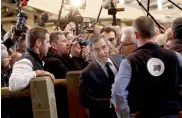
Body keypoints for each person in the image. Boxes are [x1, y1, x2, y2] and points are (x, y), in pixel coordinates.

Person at [111, 16, 182, 118]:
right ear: (155, 33)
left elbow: (118, 92)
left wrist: (124, 115)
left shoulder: (129, 62)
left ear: (135, 35)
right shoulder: (176, 56)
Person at [79, 33, 124, 118]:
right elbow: (85, 100)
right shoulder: (86, 73)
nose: (101, 52)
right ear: (91, 51)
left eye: (103, 47)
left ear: (108, 46)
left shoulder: (120, 59)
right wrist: (109, 103)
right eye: (96, 49)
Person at [9, 26, 55, 92]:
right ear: (38, 43)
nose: (49, 45)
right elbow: (13, 84)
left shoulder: (35, 59)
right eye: (47, 42)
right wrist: (37, 73)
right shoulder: (26, 60)